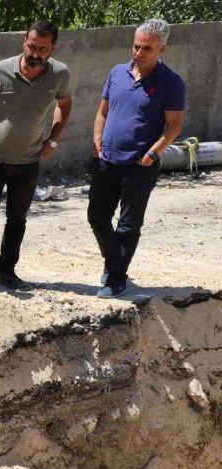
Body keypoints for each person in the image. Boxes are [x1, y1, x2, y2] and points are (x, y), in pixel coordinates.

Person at [0, 19, 72, 290]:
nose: (35, 53)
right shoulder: (0, 71)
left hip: (29, 162)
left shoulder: (59, 74)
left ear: (52, 48)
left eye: (43, 49)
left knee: (17, 219)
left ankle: (7, 271)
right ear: (24, 41)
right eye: (32, 45)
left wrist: (54, 140)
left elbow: (65, 104)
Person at [88, 19, 186, 298]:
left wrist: (152, 154)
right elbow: (102, 112)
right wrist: (97, 141)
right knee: (96, 217)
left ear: (161, 49)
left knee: (128, 224)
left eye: (147, 48)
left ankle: (116, 278)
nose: (139, 53)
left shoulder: (171, 83)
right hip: (106, 160)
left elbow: (174, 126)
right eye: (136, 46)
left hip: (140, 165)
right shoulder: (117, 73)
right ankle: (114, 263)